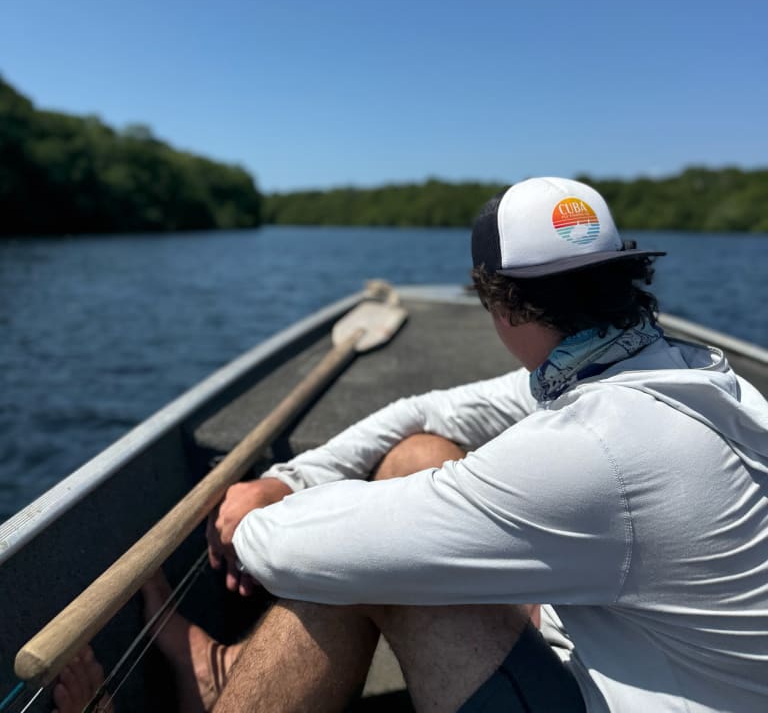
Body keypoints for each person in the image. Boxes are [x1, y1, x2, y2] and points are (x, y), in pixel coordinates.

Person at [58, 177, 768, 712]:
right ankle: (229, 674)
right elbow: (427, 410)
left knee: (360, 560)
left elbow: (303, 550)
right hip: (633, 654)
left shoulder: (599, 450)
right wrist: (295, 479)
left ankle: (229, 686)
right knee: (419, 454)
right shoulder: (665, 372)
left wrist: (250, 520)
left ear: (500, 304)